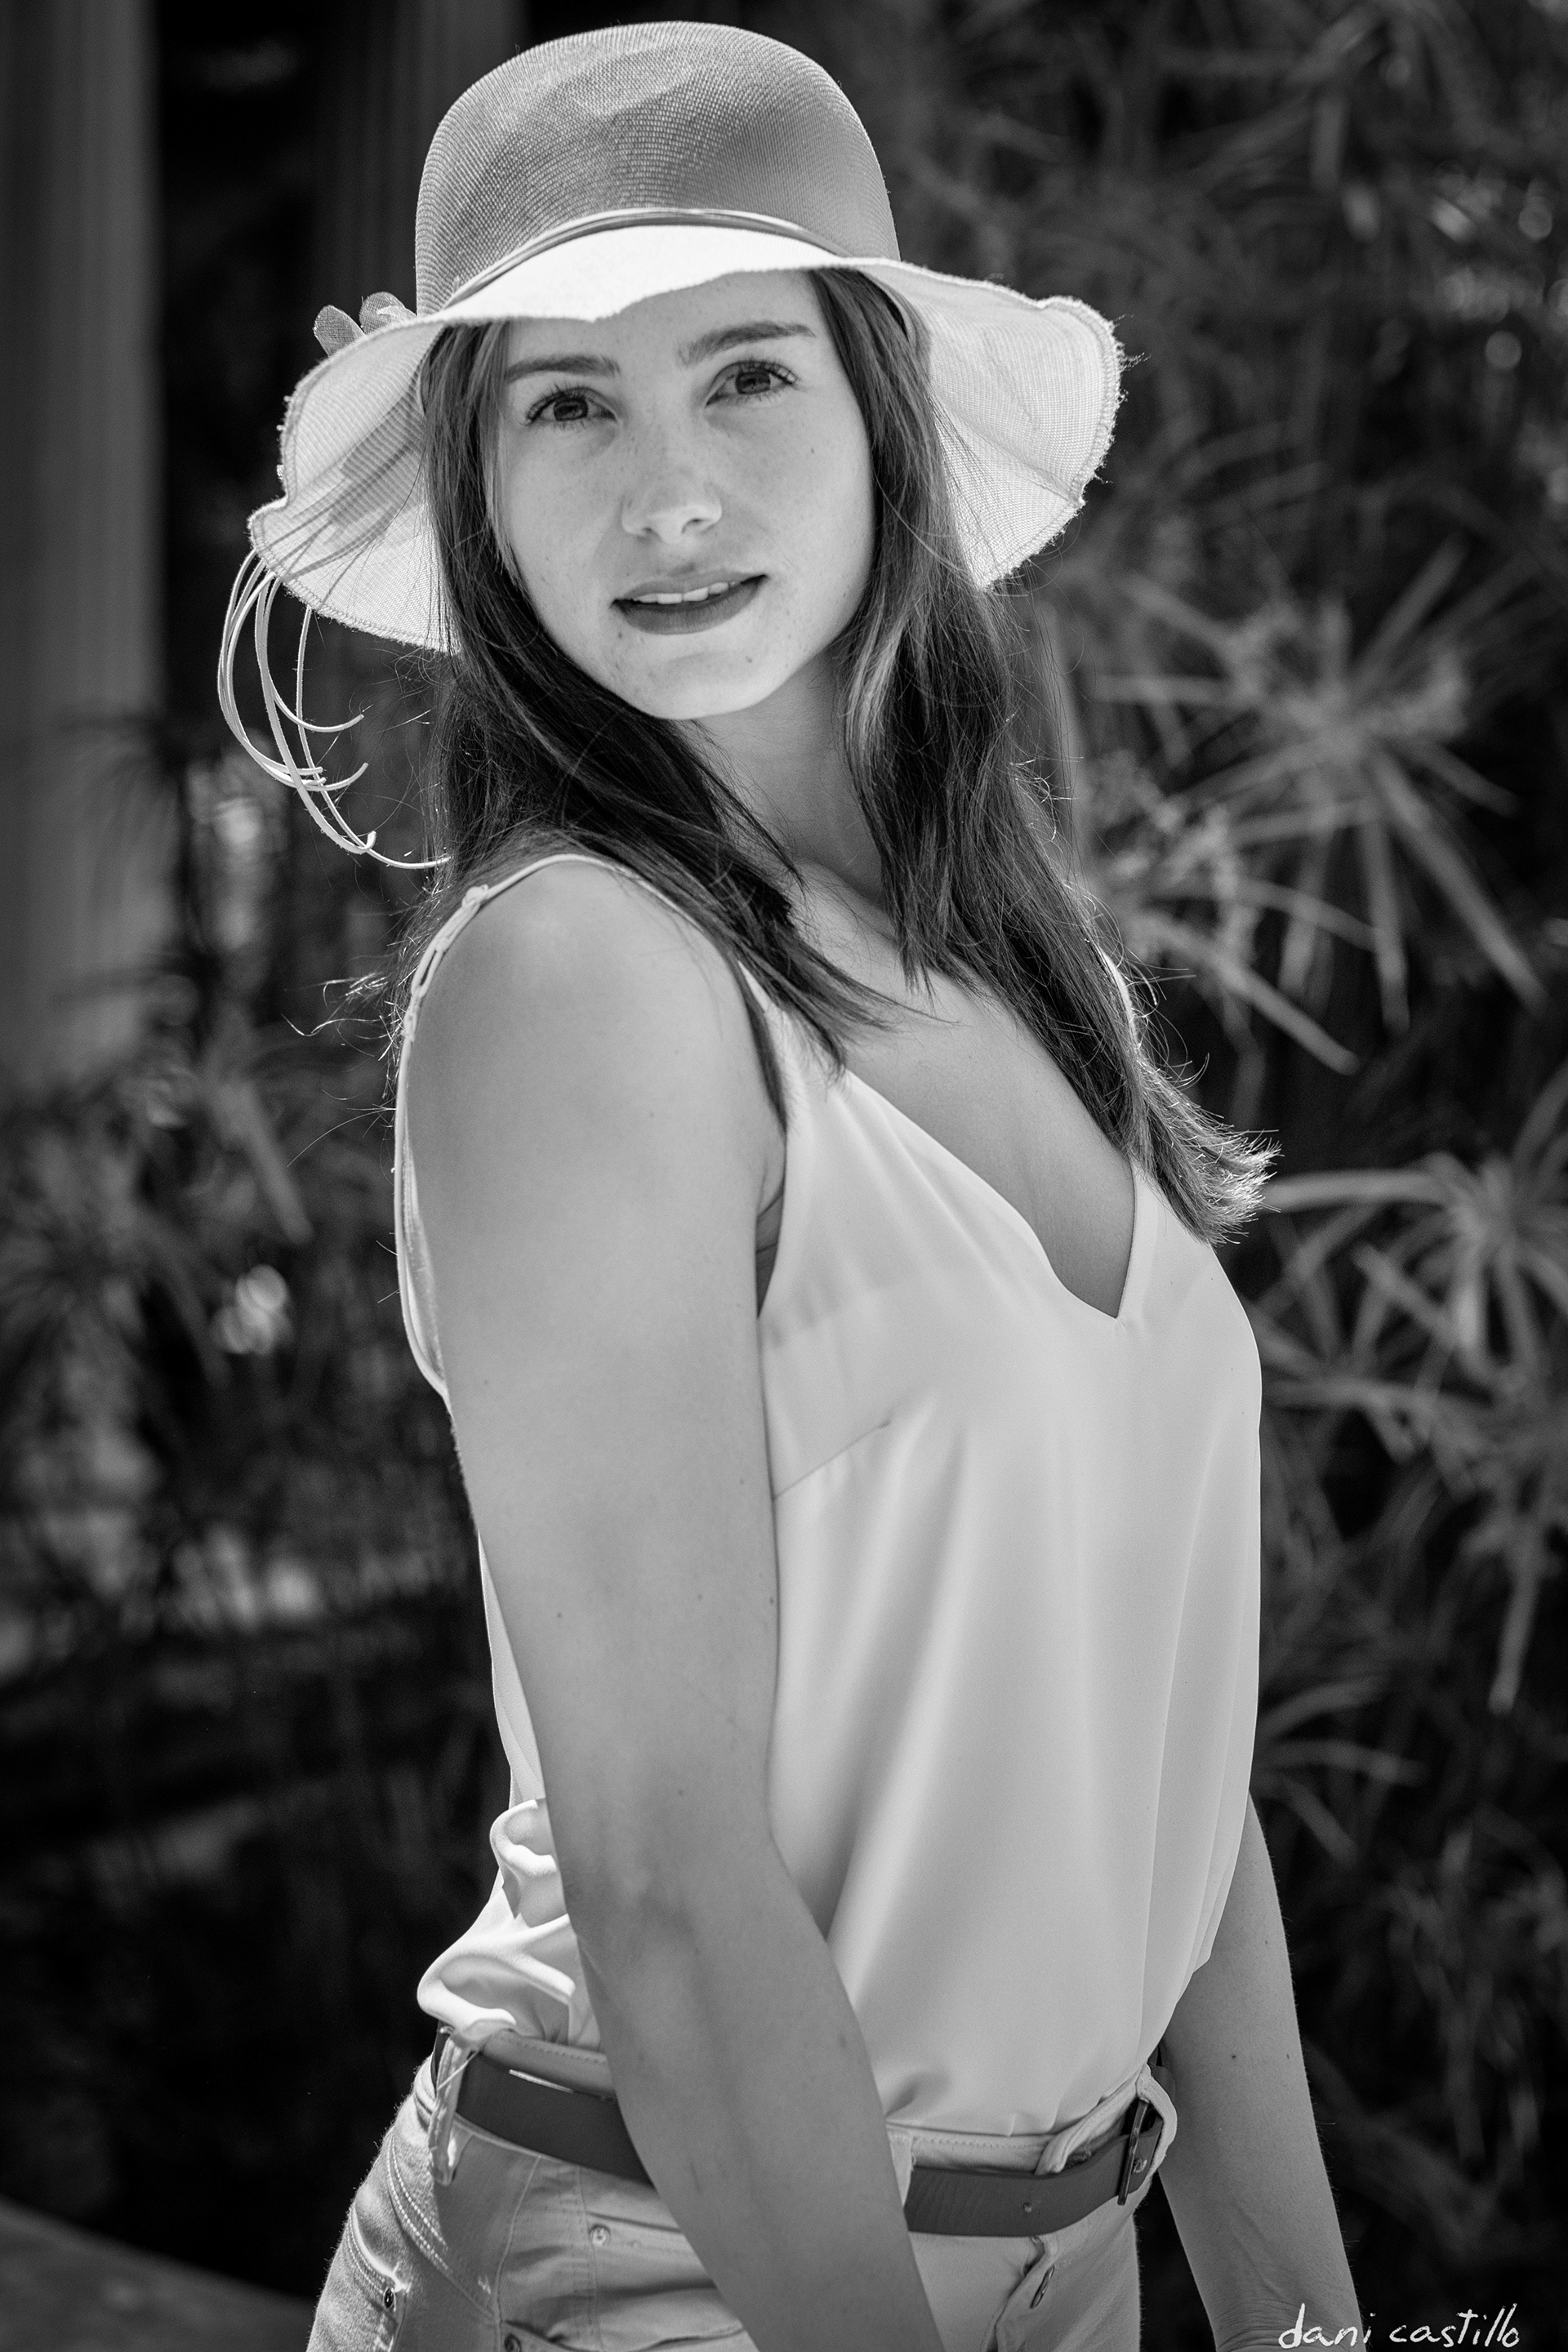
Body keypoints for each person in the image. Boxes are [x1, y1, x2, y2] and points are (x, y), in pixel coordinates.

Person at [220, 23, 1365, 2352]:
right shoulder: (580, 980)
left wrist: (1315, 2329)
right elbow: (662, 1883)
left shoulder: (1019, 973)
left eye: (746, 375)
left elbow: (1170, 1804)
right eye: (566, 405)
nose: (668, 496)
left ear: (881, 416)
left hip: (1065, 2255)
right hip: (667, 2263)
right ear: (482, 495)